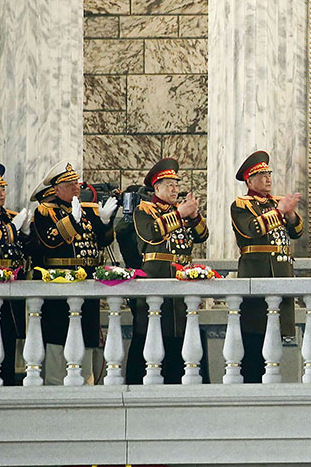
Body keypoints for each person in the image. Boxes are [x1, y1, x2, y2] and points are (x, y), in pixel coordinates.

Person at [31, 160, 117, 384]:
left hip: (86, 280)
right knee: (59, 335)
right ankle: (55, 381)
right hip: (60, 283)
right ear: (56, 189)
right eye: (69, 185)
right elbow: (48, 241)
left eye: (76, 183)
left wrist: (105, 222)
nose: (76, 188)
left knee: (87, 334)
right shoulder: (45, 211)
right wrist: (71, 221)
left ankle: (86, 381)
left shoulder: (86, 210)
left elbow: (100, 241)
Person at [130, 158, 210, 384]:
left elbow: (202, 235)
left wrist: (193, 216)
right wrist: (180, 214)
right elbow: (151, 233)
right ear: (156, 188)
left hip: (182, 277)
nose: (175, 189)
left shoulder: (179, 211)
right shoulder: (144, 210)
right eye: (169, 185)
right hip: (157, 277)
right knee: (156, 330)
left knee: (182, 332)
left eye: (176, 184)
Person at [230, 151, 303, 383]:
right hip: (257, 272)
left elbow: (297, 232)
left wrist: (289, 214)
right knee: (254, 335)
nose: (268, 179)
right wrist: (280, 212)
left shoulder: (275, 202)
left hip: (281, 273)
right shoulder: (241, 205)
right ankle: (252, 383)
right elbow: (252, 230)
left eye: (268, 174)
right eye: (261, 175)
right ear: (249, 181)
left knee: (276, 337)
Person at [0, 164, 30, 385]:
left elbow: (29, 250)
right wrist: (12, 230)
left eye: (3, 189)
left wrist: (25, 234)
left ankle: (9, 379)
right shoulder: (9, 223)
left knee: (11, 337)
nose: (1, 194)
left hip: (13, 288)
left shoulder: (10, 217)